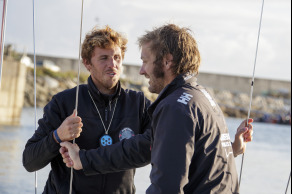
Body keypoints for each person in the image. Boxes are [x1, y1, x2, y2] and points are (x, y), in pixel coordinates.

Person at [60, 24, 253, 194]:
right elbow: (143, 147)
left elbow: (167, 187)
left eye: (145, 61)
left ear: (167, 61)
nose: (142, 70)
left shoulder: (175, 108)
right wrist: (84, 159)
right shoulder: (201, 97)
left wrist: (82, 159)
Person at [22, 26, 152, 194]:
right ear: (87, 63)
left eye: (117, 58)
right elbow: (29, 161)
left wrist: (84, 159)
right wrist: (57, 136)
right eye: (104, 58)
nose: (112, 64)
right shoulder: (64, 102)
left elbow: (155, 147)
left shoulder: (138, 103)